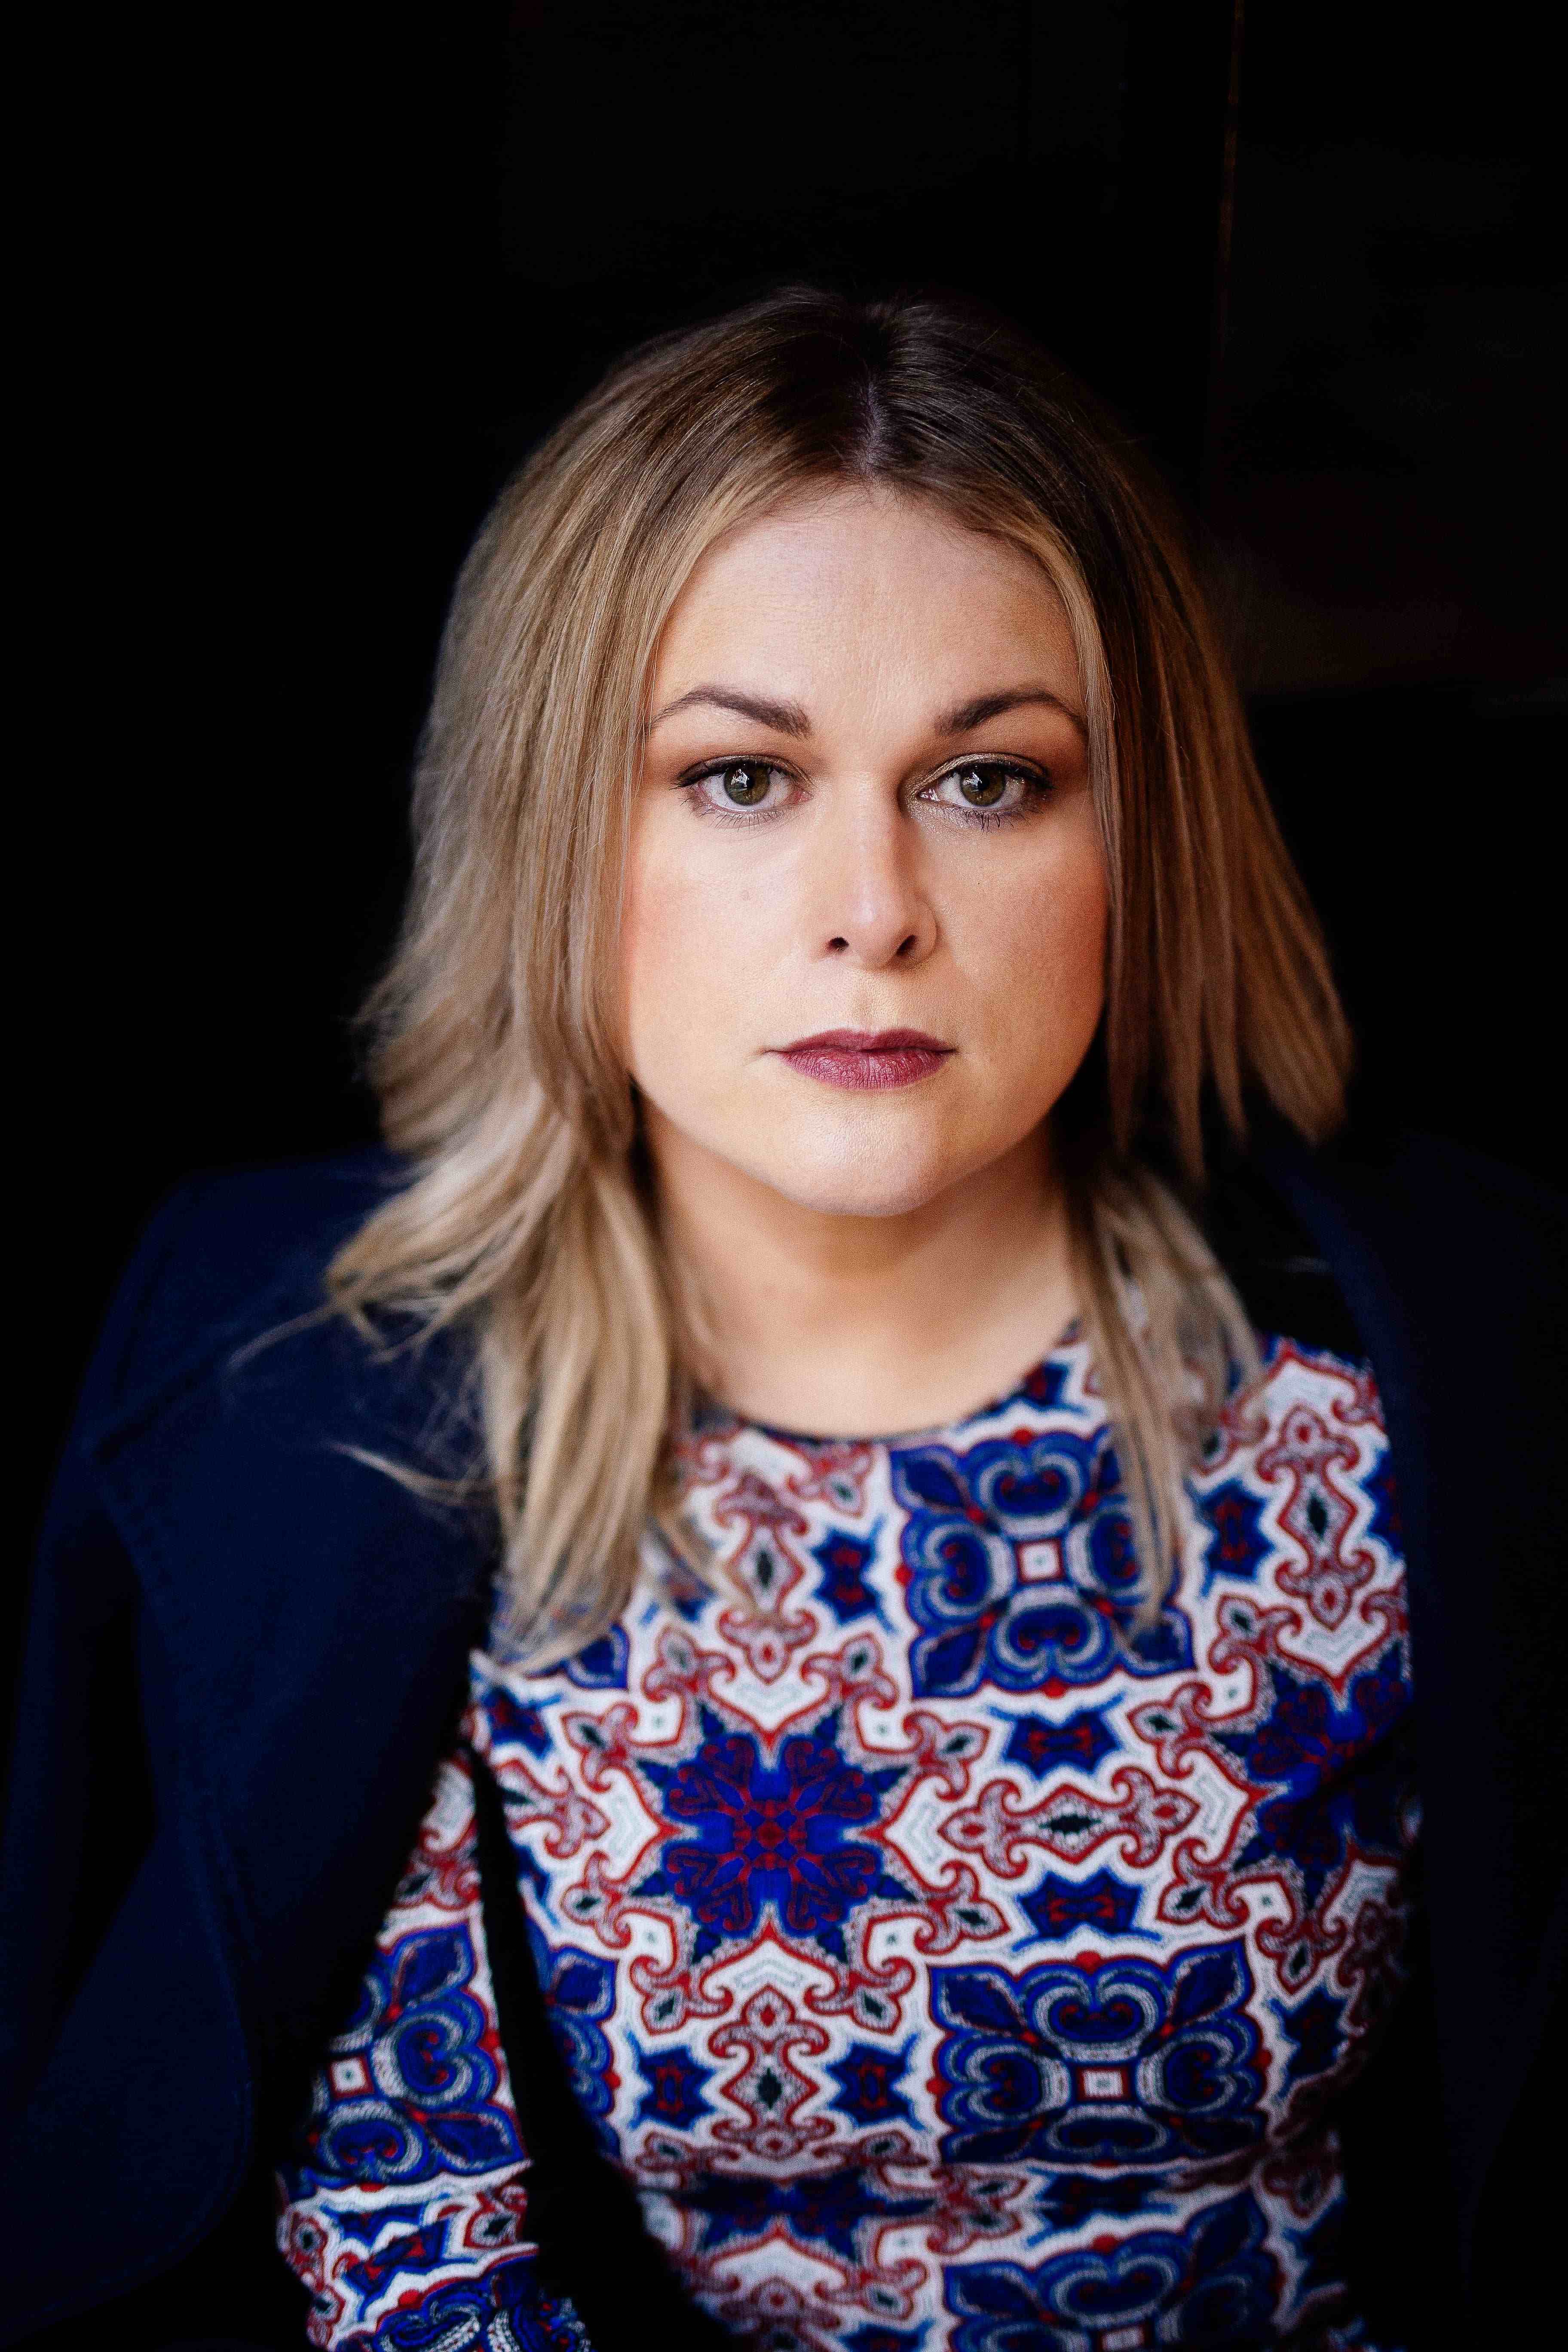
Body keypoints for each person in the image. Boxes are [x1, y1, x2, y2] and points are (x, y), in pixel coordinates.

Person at [3, 290, 1562, 2352]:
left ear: (1138, 834)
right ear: (560, 826)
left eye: (991, 780)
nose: (873, 905)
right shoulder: (297, 1406)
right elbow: (382, 2253)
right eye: (741, 778)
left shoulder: (1432, 1393)